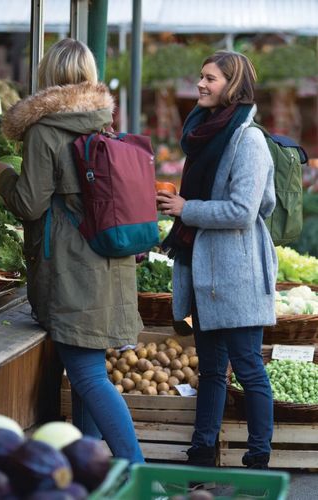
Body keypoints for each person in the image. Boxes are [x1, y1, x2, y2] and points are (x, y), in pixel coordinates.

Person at [0, 38, 144, 464]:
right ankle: (87, 469)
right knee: (85, 376)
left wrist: (2, 174)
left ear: (48, 78)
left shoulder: (44, 130)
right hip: (108, 265)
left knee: (89, 375)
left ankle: (138, 473)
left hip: (73, 271)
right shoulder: (102, 122)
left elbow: (29, 204)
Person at [156, 50, 276, 470]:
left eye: (210, 79)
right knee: (211, 369)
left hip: (237, 272)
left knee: (248, 367)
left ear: (233, 86)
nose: (201, 85)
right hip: (204, 269)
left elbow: (244, 211)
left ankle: (258, 458)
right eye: (201, 76)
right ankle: (202, 452)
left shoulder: (249, 140)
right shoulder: (205, 132)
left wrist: (187, 208)